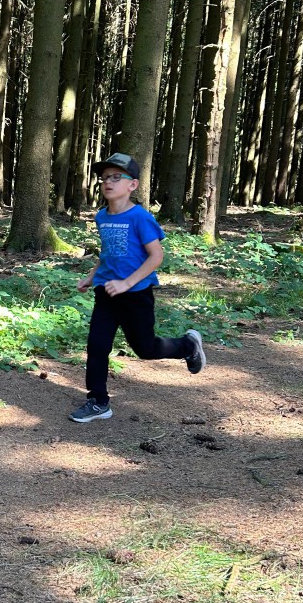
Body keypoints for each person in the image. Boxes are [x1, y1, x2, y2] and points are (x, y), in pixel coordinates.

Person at [69, 151, 205, 422]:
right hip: (107, 292)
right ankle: (98, 401)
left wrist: (127, 283)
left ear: (132, 185)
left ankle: (188, 346)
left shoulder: (140, 217)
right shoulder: (102, 216)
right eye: (105, 177)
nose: (108, 182)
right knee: (97, 346)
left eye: (116, 177)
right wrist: (91, 276)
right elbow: (107, 253)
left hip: (136, 295)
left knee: (145, 349)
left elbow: (156, 256)